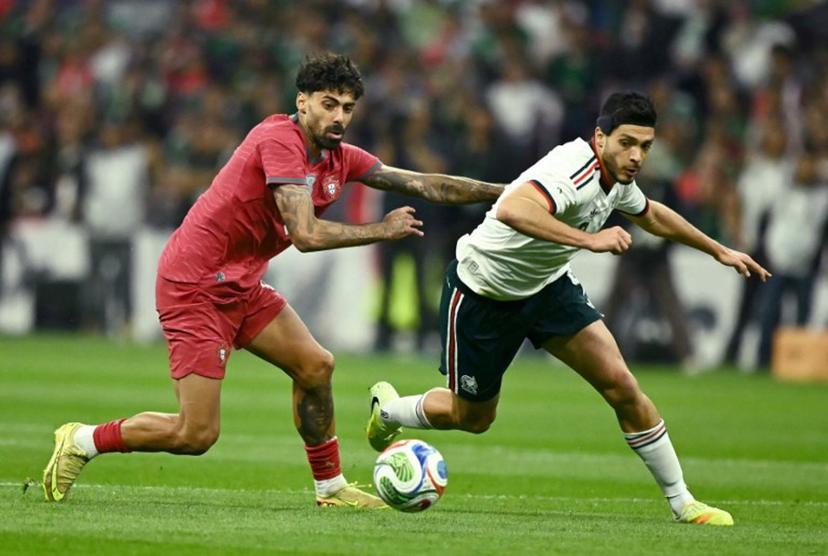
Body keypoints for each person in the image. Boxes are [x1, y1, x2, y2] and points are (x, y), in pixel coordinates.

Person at [41, 52, 502, 508]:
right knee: (195, 433)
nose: (339, 117)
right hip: (195, 284)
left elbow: (424, 183)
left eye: (347, 108)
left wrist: (509, 193)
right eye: (328, 104)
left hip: (240, 283)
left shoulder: (339, 158)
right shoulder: (279, 139)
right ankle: (82, 440)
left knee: (316, 366)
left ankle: (330, 487)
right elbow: (305, 234)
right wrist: (382, 229)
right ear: (302, 101)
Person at [367, 91, 770, 525]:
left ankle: (682, 502)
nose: (637, 156)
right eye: (627, 143)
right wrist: (589, 240)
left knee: (621, 384)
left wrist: (718, 249)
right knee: (474, 417)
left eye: (645, 146)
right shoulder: (572, 170)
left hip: (547, 289)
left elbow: (651, 214)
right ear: (601, 137)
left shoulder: (617, 178)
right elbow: (512, 209)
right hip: (484, 294)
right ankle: (388, 410)